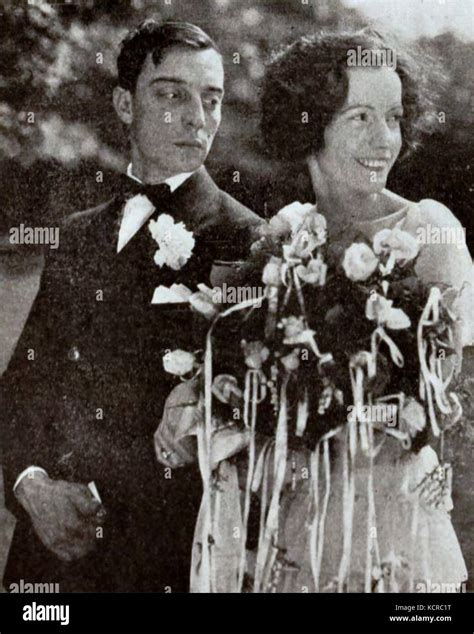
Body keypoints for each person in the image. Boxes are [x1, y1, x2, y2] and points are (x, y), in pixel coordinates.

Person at [0, 19, 263, 592]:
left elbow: (243, 421)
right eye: (172, 94)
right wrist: (29, 484)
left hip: (157, 558)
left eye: (211, 99)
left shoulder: (249, 243)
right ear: (124, 103)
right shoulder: (76, 233)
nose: (198, 117)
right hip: (44, 562)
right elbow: (23, 383)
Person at [250, 28, 472, 592]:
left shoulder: (429, 232)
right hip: (300, 516)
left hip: (393, 515)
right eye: (361, 118)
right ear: (309, 125)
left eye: (394, 118)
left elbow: (439, 402)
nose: (384, 140)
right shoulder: (288, 233)